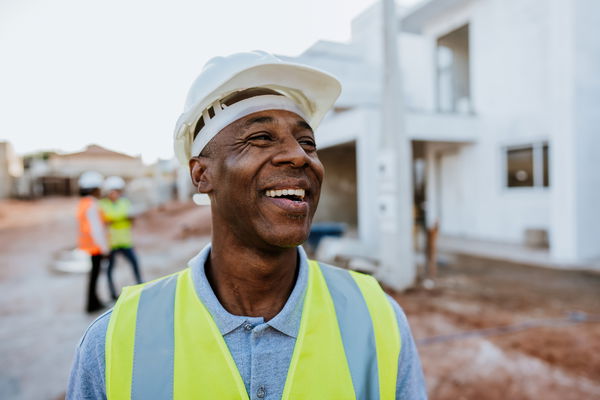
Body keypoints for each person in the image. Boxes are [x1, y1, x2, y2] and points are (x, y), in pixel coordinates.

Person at [68, 51, 427, 399]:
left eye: (307, 142)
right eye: (261, 138)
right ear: (201, 173)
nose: (299, 156)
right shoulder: (115, 343)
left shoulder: (376, 316)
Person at [99, 176, 143, 300]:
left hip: (125, 241)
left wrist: (114, 219)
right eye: (113, 191)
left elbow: (130, 218)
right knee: (109, 269)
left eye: (117, 191)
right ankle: (112, 293)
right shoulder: (102, 205)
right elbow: (106, 220)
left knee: (135, 263)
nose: (115, 194)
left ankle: (140, 285)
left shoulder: (125, 202)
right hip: (111, 243)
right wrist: (121, 218)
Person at [76, 171, 109, 313]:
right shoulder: (92, 204)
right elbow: (96, 229)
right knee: (94, 276)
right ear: (94, 188)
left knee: (93, 276)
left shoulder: (83, 203)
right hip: (95, 246)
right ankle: (91, 305)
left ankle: (94, 302)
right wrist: (105, 249)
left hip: (89, 245)